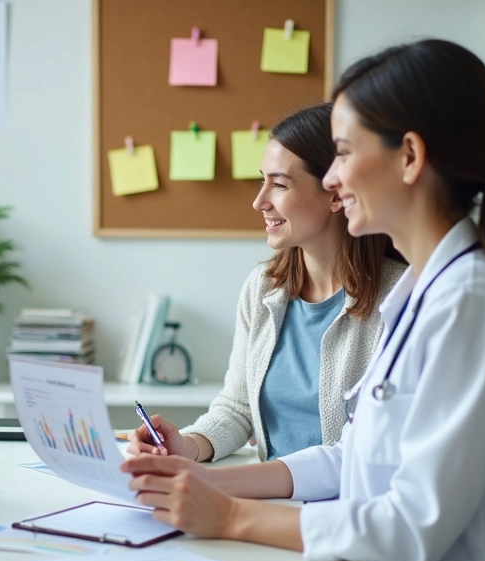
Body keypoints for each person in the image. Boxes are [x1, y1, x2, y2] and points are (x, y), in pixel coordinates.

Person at [123, 39, 485, 561]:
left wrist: (235, 518)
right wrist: (206, 478)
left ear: (410, 157)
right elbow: (356, 459)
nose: (335, 177)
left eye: (342, 153)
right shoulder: (425, 293)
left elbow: (410, 525)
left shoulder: (475, 306)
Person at [127, 102, 404, 464]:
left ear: (336, 193)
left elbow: (378, 447)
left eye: (279, 185)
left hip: (340, 506)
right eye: (263, 180)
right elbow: (237, 407)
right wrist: (187, 445)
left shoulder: (399, 298)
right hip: (266, 497)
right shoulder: (263, 288)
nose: (259, 201)